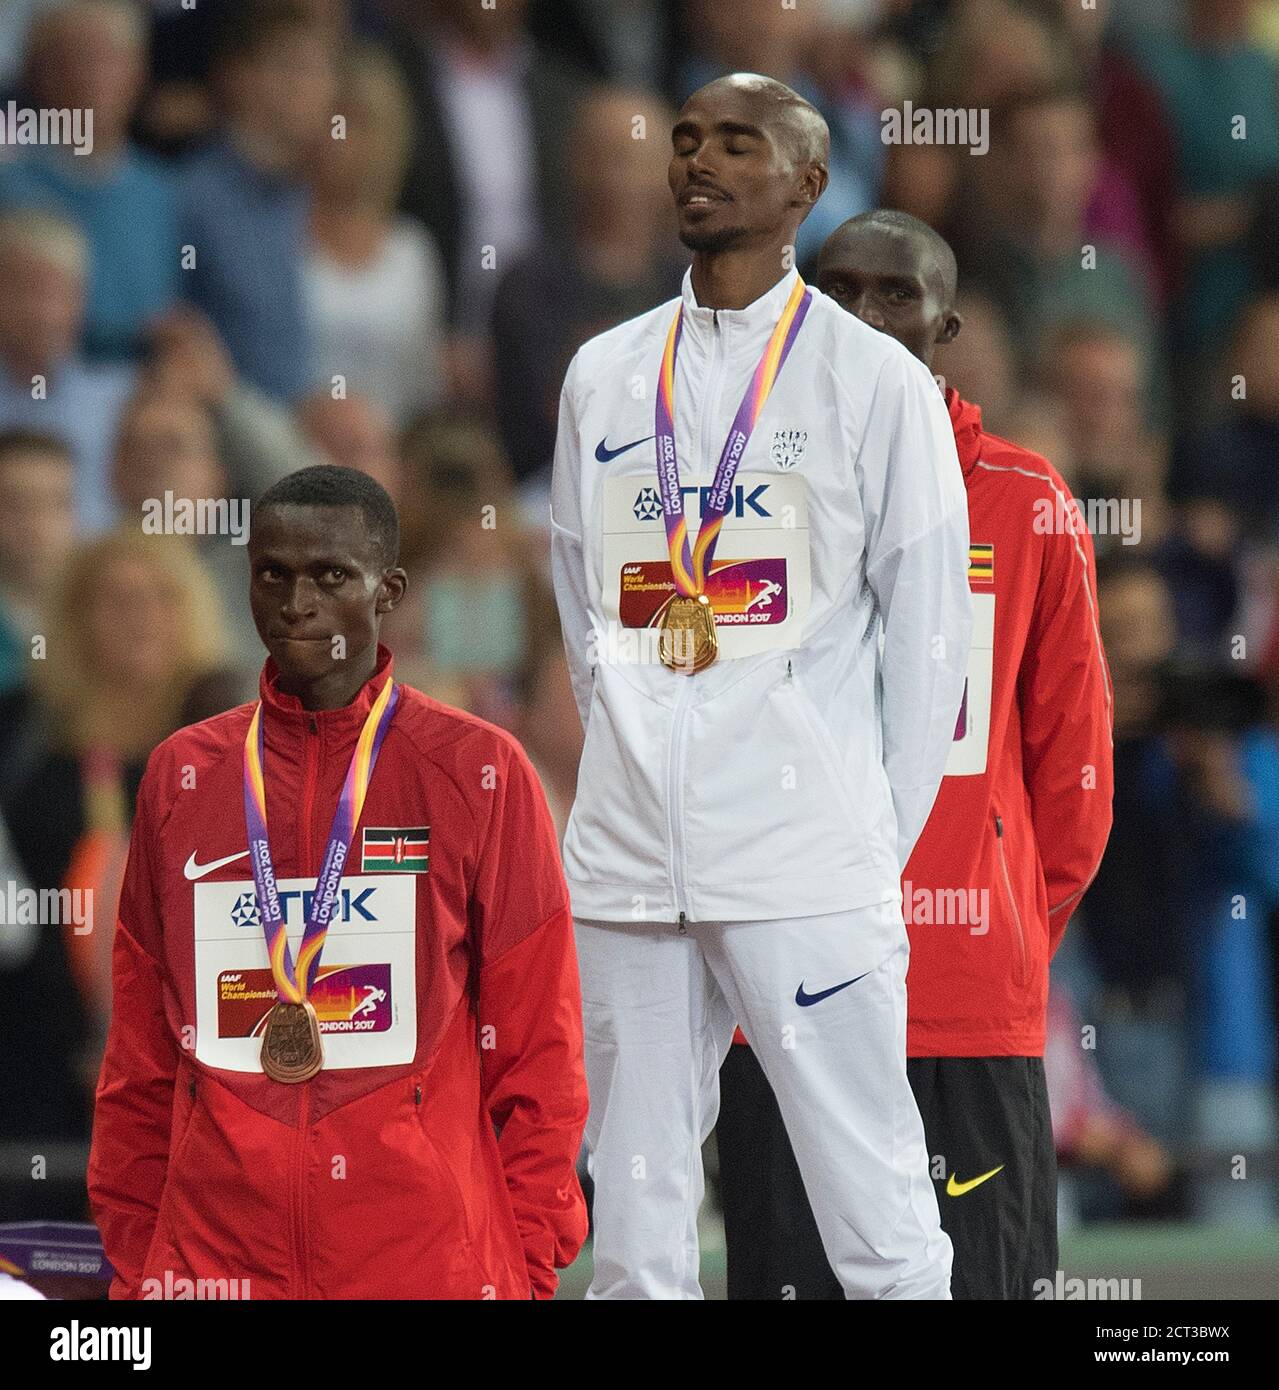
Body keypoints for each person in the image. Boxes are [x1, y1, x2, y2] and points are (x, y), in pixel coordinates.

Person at [551, 75, 973, 1299]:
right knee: (631, 1222)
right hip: (628, 863)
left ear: (805, 185)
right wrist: (637, 757)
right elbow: (588, 613)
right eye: (686, 141)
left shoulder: (873, 380)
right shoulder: (601, 374)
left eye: (739, 145)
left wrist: (860, 839)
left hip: (806, 861)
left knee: (878, 1207)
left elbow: (931, 644)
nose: (700, 161)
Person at [716, 209, 1114, 1299]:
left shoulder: (1026, 504)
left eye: (893, 295)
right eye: (834, 290)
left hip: (963, 1000)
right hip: (782, 998)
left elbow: (1073, 783)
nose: (859, 316)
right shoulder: (735, 499)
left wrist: (997, 930)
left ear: (945, 325)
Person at [87, 465, 588, 1299]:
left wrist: (522, 1266)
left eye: (330, 576)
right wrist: (145, 1266)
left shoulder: (480, 771)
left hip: (423, 1266)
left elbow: (540, 1056)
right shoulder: (184, 777)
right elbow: (139, 1057)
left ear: (387, 589)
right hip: (214, 1264)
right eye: (271, 574)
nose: (296, 602)